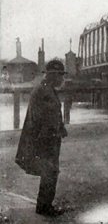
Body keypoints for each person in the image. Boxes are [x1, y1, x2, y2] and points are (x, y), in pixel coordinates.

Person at [15, 60, 68, 217]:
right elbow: (43, 117)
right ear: (52, 75)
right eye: (60, 76)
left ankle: (44, 205)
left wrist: (60, 128)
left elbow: (51, 115)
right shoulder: (44, 92)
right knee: (50, 172)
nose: (62, 79)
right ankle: (44, 207)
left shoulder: (45, 89)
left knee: (50, 172)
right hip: (46, 139)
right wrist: (53, 133)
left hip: (47, 137)